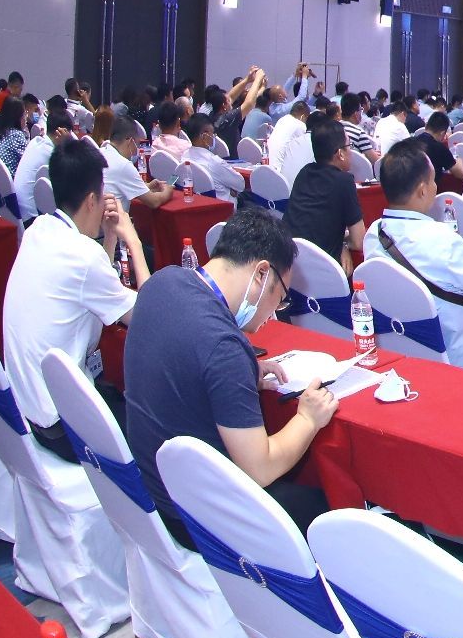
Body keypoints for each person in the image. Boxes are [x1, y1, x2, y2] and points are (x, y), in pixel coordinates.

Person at [124, 206, 335, 547]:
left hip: (150, 488)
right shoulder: (224, 346)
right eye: (280, 299)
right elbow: (260, 469)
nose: (273, 314)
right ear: (262, 273)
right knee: (331, 509)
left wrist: (245, 369)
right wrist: (308, 418)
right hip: (197, 519)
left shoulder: (161, 283)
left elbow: (185, 358)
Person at [2, 138, 151, 463]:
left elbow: (91, 286)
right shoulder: (83, 256)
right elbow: (150, 314)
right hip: (64, 427)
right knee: (156, 431)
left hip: (28, 406)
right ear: (92, 200)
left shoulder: (38, 229)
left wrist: (109, 237)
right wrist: (133, 241)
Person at [365, 140, 463, 372]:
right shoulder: (441, 237)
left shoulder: (374, 233)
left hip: (403, 344)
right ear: (423, 190)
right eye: (433, 180)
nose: (435, 187)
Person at [286, 115, 368, 273]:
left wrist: (341, 243)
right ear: (340, 153)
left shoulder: (304, 172)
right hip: (322, 270)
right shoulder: (344, 181)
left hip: (291, 264)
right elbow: (359, 242)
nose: (351, 152)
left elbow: (310, 227)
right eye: (349, 146)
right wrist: (343, 244)